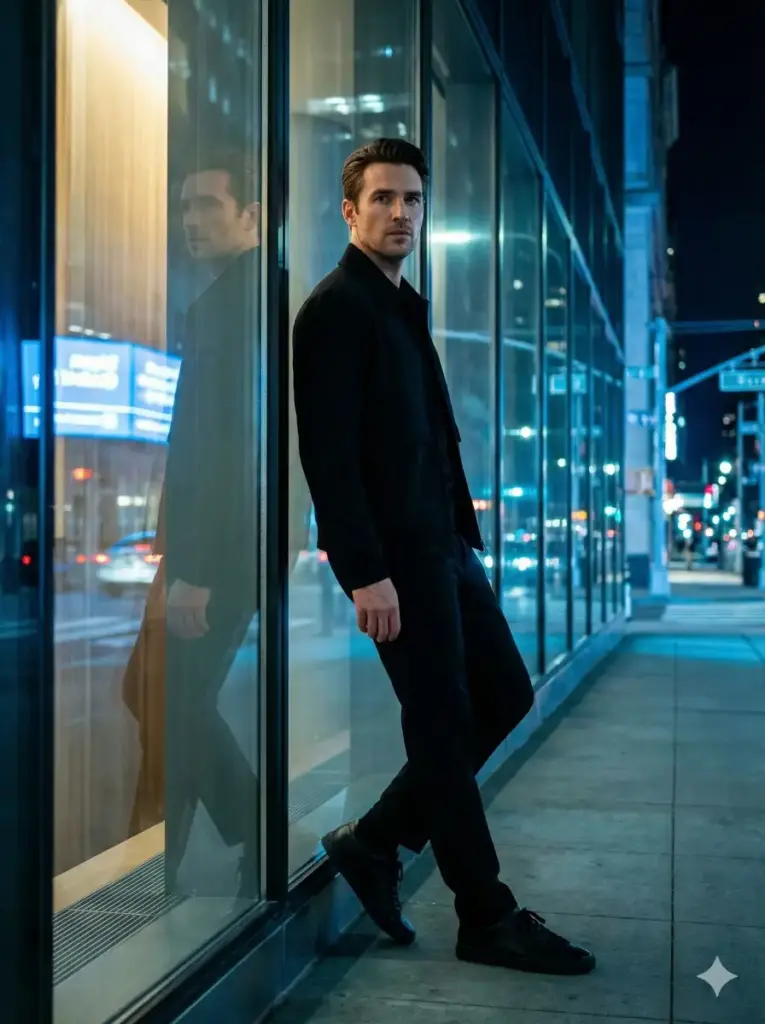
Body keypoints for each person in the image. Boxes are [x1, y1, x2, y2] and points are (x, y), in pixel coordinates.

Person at [292, 138, 595, 975]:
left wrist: (466, 544)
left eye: (412, 200)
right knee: (440, 725)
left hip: (446, 551)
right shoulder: (333, 311)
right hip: (394, 563)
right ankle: (484, 913)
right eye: (382, 198)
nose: (400, 213)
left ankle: (378, 838)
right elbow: (329, 455)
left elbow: (429, 442)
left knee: (503, 693)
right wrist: (362, 571)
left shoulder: (401, 304)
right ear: (349, 211)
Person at [123, 151, 309, 897]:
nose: (191, 220)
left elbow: (231, 445)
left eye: (207, 204)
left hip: (225, 550)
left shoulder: (244, 304)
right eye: (185, 206)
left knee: (169, 697)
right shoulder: (241, 297)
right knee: (158, 693)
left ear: (253, 217)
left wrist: (197, 567)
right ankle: (192, 852)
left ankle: (253, 834)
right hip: (234, 544)